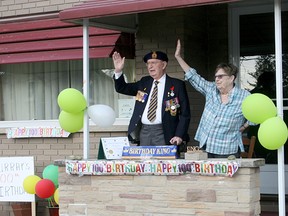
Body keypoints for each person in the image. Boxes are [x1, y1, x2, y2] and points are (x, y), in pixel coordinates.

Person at [174, 39, 251, 158]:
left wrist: (245, 126)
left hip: (228, 150)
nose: (217, 79)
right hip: (206, 147)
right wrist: (178, 57)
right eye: (216, 77)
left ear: (231, 78)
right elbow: (194, 77)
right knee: (207, 177)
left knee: (225, 177)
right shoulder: (211, 90)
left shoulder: (244, 96)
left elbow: (257, 114)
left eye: (220, 76)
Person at [113, 50, 191, 147]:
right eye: (148, 63)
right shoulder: (144, 82)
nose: (150, 66)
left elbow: (185, 114)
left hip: (166, 133)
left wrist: (179, 135)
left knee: (164, 162)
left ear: (163, 65)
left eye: (154, 63)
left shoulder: (176, 85)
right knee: (144, 161)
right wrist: (118, 71)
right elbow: (122, 88)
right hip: (144, 131)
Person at [248, 72, 277, 162]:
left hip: (269, 130)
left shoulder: (253, 93)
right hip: (258, 131)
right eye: (272, 81)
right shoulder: (271, 94)